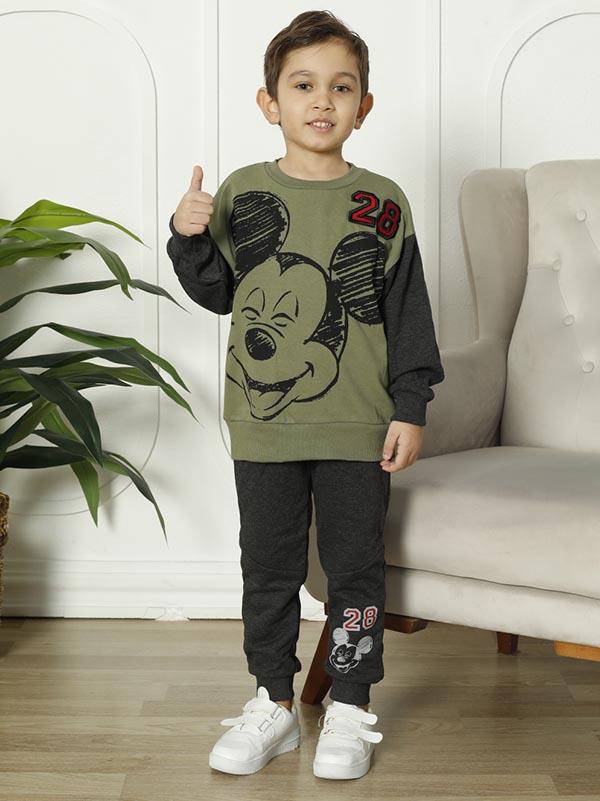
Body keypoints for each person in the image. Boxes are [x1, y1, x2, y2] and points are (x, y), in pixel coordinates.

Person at [165, 9, 445, 781]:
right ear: (270, 102)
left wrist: (411, 404)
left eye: (341, 87)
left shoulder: (384, 203)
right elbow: (221, 294)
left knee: (357, 570)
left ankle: (349, 703)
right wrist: (188, 237)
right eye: (303, 85)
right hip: (264, 425)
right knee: (268, 566)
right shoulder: (242, 192)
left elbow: (408, 314)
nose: (323, 100)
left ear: (364, 106)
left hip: (359, 425)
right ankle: (273, 702)